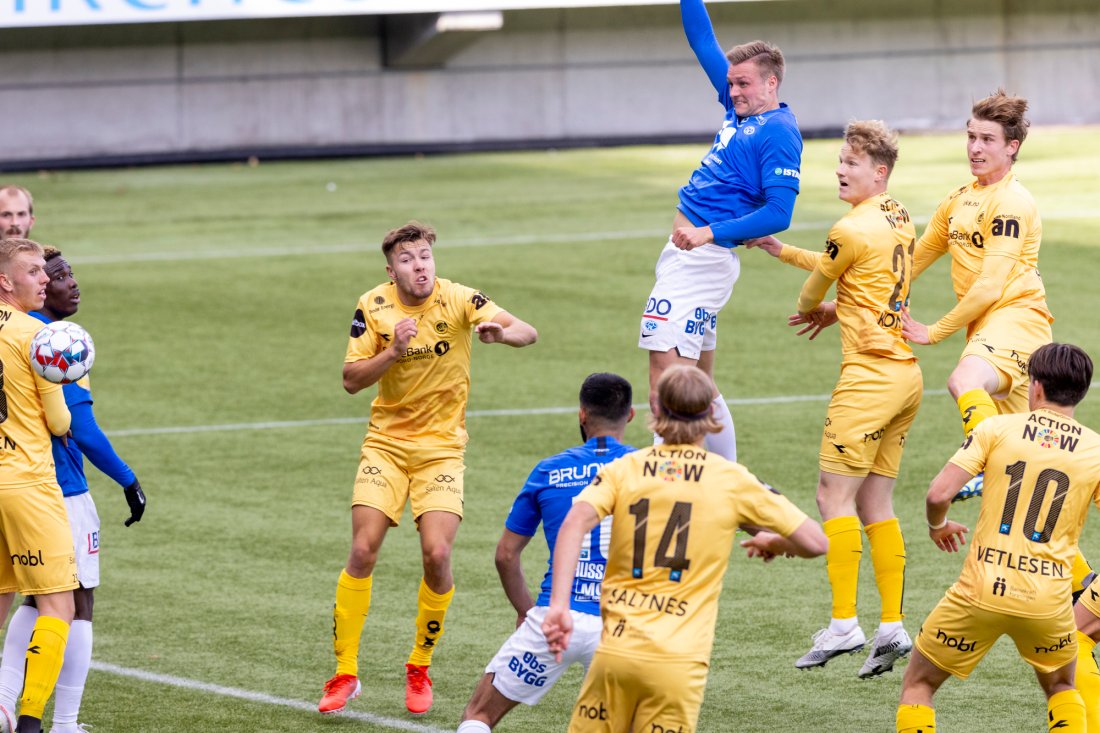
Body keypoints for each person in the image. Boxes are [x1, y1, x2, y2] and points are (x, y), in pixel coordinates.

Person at [320, 221, 537, 717]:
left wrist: (498, 334)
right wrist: (392, 350)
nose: (419, 266)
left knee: (437, 553)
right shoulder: (372, 306)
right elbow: (351, 380)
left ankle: (419, 663)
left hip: (441, 450)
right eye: (407, 259)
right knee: (362, 548)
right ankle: (345, 672)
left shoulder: (460, 299)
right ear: (390, 269)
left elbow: (529, 331)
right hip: (387, 446)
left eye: (425, 257)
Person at [542, 365, 826, 732]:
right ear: (712, 416)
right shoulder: (731, 479)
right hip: (677, 662)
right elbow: (816, 542)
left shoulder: (624, 468)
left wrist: (559, 607)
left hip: (616, 652)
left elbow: (573, 523)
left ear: (655, 411)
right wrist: (774, 540)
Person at [746, 121, 919, 677]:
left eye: (852, 162)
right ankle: (892, 624)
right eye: (840, 161)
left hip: (868, 378)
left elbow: (814, 289)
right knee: (876, 505)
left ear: (880, 171)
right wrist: (783, 250)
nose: (841, 170)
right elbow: (856, 277)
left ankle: (845, 624)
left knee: (832, 497)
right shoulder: (897, 216)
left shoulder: (849, 227)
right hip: (906, 378)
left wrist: (816, 303)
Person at [897, 342, 1100, 733]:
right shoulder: (1095, 450)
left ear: (1035, 386)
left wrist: (937, 526)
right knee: (1061, 686)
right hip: (1048, 602)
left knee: (919, 684)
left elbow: (939, 494)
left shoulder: (996, 428)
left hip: (981, 591)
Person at [638, 0, 802, 462]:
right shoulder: (740, 109)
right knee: (699, 386)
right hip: (690, 258)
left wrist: (709, 232)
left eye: (743, 83)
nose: (732, 91)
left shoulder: (778, 132)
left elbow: (779, 212)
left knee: (666, 383)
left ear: (772, 83)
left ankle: (663, 481)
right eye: (730, 83)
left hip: (701, 260)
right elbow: (702, 41)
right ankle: (733, 481)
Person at [0, 246, 146, 733]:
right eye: (46, 273)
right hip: (47, 487)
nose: (60, 282)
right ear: (8, 280)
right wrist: (128, 478)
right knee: (70, 603)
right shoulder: (49, 340)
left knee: (18, 598)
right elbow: (72, 423)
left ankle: (3, 701)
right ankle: (49, 721)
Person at [456, 373, 636, 733]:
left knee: (478, 716)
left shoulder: (550, 470)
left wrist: (525, 610)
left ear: (582, 414)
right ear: (630, 415)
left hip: (556, 619)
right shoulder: (651, 469)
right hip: (625, 624)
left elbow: (506, 555)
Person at [901, 89, 1051, 503]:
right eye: (971, 137)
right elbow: (909, 261)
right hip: (989, 327)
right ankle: (1084, 573)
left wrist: (934, 332)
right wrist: (843, 304)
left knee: (963, 380)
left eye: (987, 139)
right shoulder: (958, 199)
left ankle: (987, 464)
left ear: (1012, 146)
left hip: (1017, 319)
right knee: (1025, 493)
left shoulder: (1012, 203)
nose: (975, 148)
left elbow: (989, 286)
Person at [0, 238, 77, 733]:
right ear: (5, 281)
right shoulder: (39, 336)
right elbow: (59, 420)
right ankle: (30, 722)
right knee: (58, 603)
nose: (44, 278)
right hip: (27, 483)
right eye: (33, 271)